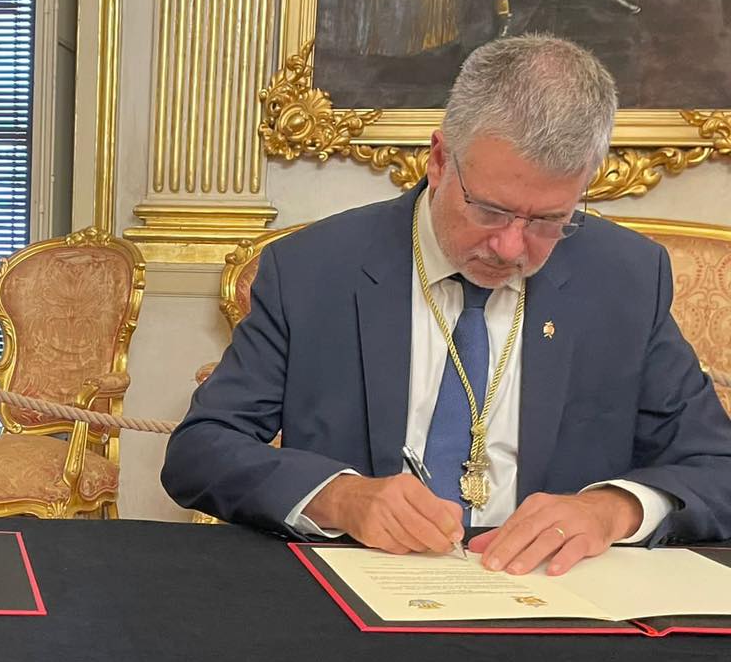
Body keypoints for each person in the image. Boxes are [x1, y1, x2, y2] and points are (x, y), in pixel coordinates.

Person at [162, 34, 731, 575]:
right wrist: (340, 498)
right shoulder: (315, 269)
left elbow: (718, 467)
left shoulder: (624, 278)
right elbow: (201, 450)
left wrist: (612, 509)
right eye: (490, 210)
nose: (510, 247)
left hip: (551, 600)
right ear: (439, 160)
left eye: (548, 220)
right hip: (361, 594)